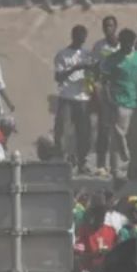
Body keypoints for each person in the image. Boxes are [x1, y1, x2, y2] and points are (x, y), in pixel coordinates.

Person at [100, 28, 137, 185]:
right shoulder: (112, 59)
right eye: (124, 42)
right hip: (120, 102)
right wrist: (109, 100)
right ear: (120, 42)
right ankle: (118, 171)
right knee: (118, 138)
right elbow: (104, 81)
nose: (127, 45)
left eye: (130, 42)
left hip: (136, 102)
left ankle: (133, 170)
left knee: (134, 138)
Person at [54, 25, 94, 173]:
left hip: (83, 97)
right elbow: (58, 77)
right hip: (67, 96)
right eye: (79, 35)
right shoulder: (63, 54)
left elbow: (93, 72)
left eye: (83, 36)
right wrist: (75, 68)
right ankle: (62, 162)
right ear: (73, 36)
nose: (81, 39)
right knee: (63, 131)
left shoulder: (87, 53)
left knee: (84, 132)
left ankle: (82, 162)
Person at [91, 16, 121, 174]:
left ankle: (117, 164)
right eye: (105, 26)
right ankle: (101, 164)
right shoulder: (99, 46)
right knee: (103, 128)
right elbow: (94, 68)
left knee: (119, 129)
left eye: (110, 25)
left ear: (116, 27)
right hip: (105, 89)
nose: (108, 28)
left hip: (120, 90)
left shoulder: (122, 45)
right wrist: (95, 88)